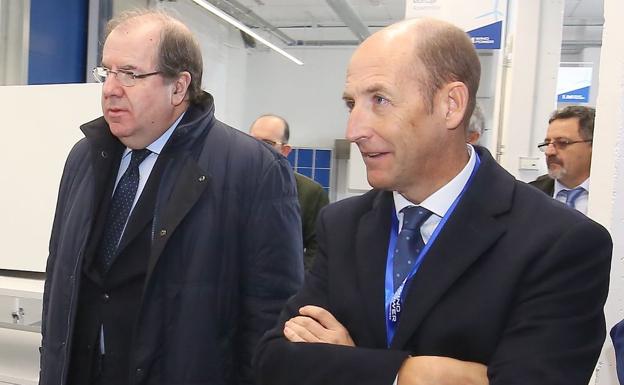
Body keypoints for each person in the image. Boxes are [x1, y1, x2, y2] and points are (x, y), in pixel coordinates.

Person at [254, 18, 612, 385]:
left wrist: (347, 361)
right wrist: (409, 374)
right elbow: (276, 360)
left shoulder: (559, 242)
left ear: (451, 105)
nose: (354, 130)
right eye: (351, 104)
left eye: (379, 100)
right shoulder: (343, 224)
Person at [39, 9, 303, 385]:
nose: (110, 88)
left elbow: (270, 315)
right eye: (106, 72)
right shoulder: (85, 158)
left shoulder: (252, 170)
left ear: (179, 87)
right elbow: (59, 277)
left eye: (130, 74)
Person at [250, 114, 329, 270]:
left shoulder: (310, 192)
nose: (257, 148)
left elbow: (319, 247)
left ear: (285, 150)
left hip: (284, 287)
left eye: (267, 143)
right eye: (253, 141)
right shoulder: (233, 183)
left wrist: (300, 283)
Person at [529, 105, 595, 215]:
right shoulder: (531, 194)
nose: (549, 152)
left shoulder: (614, 197)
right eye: (547, 143)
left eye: (563, 143)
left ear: (593, 145)